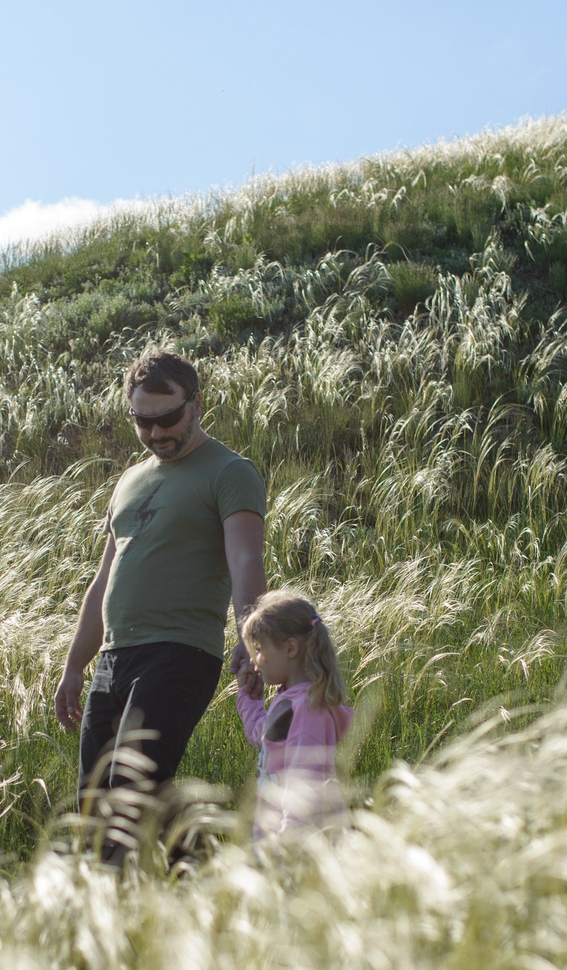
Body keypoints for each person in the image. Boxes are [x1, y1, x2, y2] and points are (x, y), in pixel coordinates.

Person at [54, 350, 268, 862]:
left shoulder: (230, 472)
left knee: (130, 785)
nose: (155, 433)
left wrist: (251, 636)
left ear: (196, 404)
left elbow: (244, 559)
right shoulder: (129, 480)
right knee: (95, 798)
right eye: (142, 422)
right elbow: (104, 578)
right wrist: (73, 665)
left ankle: (131, 908)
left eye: (168, 417)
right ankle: (202, 870)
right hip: (114, 655)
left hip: (180, 651)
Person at [233, 591, 353, 841]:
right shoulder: (289, 699)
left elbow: (305, 783)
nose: (256, 662)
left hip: (299, 844)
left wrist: (287, 844)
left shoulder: (308, 709)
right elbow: (261, 733)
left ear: (290, 648)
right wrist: (247, 695)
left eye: (259, 650)